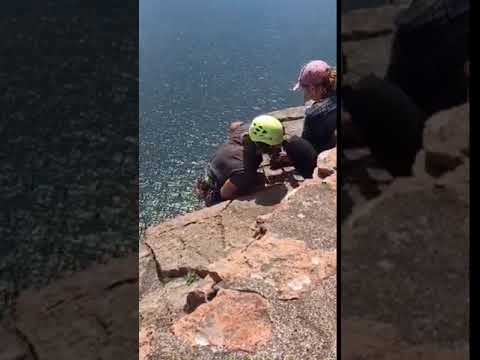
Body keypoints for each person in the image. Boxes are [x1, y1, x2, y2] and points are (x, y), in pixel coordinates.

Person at [195, 115, 317, 206]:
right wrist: (253, 188)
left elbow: (234, 125)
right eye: (276, 146)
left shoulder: (246, 129)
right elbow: (226, 193)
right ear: (263, 147)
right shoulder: (244, 170)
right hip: (212, 189)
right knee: (259, 181)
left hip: (209, 171)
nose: (279, 148)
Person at [292, 60, 337, 154]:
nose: (305, 93)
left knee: (294, 143)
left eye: (305, 90)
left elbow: (306, 148)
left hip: (326, 156)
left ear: (312, 88)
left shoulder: (314, 114)